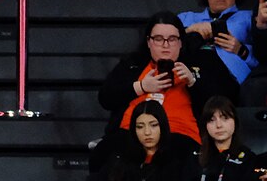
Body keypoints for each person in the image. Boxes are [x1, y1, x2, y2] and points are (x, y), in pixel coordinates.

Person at [97, 13, 235, 148]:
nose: (165, 45)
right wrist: (141, 87)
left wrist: (193, 82)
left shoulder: (201, 62)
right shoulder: (133, 64)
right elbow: (105, 98)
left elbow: (228, 97)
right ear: (148, 42)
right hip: (131, 138)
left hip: (180, 140)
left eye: (172, 38)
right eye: (158, 38)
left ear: (181, 42)